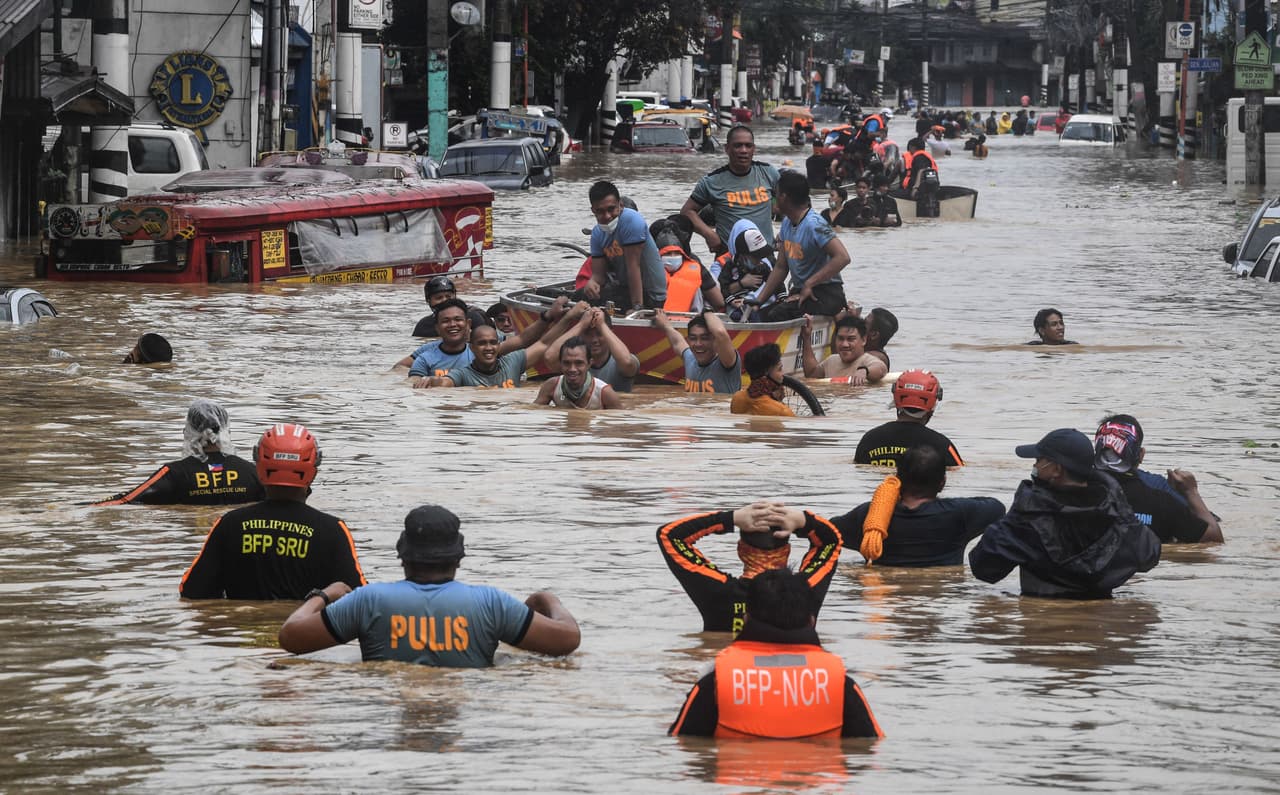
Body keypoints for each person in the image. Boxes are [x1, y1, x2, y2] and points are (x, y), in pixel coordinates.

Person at [277, 505, 581, 666]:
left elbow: (291, 637)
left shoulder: (368, 600)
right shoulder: (491, 603)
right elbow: (568, 640)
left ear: (402, 554)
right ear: (459, 557)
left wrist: (324, 595)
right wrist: (547, 599)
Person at [667, 569, 882, 739]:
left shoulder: (716, 681)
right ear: (811, 621)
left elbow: (683, 745)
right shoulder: (840, 683)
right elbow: (868, 750)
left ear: (746, 619)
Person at [179, 423, 368, 600]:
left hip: (244, 623)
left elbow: (191, 591)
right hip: (305, 624)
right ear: (312, 471)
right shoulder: (332, 530)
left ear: (260, 467)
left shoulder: (229, 525)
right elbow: (361, 599)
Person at [969, 428, 1162, 598]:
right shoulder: (1113, 510)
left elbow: (983, 567)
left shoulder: (1029, 516)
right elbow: (1149, 555)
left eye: (1038, 460)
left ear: (1056, 469)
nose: (1035, 466)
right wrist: (1123, 508)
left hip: (1042, 616)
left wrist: (1018, 512)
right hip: (1099, 619)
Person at [656, 500, 843, 632]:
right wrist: (803, 520)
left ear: (741, 550)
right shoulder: (806, 590)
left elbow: (669, 535)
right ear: (787, 551)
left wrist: (729, 518)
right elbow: (831, 541)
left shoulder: (718, 591)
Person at [833, 446, 1005, 566]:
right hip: (942, 596)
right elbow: (997, 508)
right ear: (942, 483)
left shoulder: (870, 516)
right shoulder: (959, 514)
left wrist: (887, 498)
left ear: (898, 480)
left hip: (883, 598)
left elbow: (828, 530)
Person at [94, 399, 263, 506]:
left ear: (190, 430)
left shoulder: (174, 473)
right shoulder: (253, 472)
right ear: (225, 429)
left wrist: (86, 506)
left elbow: (126, 500)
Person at [1093, 415, 1223, 543]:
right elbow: (1212, 536)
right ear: (1141, 455)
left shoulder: (1081, 491)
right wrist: (1191, 492)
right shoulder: (1162, 498)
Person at [756, 171, 851, 321]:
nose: (773, 199)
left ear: (784, 197)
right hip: (801, 291)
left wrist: (809, 283)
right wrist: (758, 301)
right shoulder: (787, 223)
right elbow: (781, 267)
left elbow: (843, 257)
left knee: (777, 315)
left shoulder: (814, 225)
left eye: (776, 194)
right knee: (762, 314)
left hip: (826, 293)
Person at [422, 302, 580, 389]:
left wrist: (568, 318)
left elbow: (544, 343)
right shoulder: (463, 374)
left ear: (499, 346)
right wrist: (431, 381)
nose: (488, 348)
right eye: (482, 344)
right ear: (472, 348)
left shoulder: (513, 362)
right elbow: (444, 383)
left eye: (493, 343)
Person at [681, 125, 781, 254]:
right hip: (728, 257)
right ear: (727, 149)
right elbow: (687, 212)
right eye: (738, 146)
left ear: (754, 149)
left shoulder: (768, 173)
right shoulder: (711, 182)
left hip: (764, 256)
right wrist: (709, 234)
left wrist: (785, 233)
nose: (743, 150)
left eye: (748, 146)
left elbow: (790, 203)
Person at [580, 181, 667, 311]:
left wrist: (637, 307)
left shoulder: (631, 220)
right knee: (579, 297)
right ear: (593, 210)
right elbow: (598, 275)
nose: (607, 216)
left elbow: (634, 267)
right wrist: (592, 282)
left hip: (649, 294)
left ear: (620, 205)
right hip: (624, 289)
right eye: (600, 211)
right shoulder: (597, 233)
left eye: (611, 209)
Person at [855, 369, 964, 467]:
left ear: (896, 398)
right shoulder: (942, 445)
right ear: (933, 404)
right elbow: (958, 471)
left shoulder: (869, 439)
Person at [543, 307, 641, 392]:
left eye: (599, 334)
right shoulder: (573, 363)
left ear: (609, 333)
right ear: (581, 334)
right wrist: (581, 325)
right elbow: (549, 357)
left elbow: (627, 362)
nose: (594, 340)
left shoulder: (622, 361)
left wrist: (602, 325)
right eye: (588, 334)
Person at [653, 309, 742, 394]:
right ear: (688, 340)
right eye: (693, 338)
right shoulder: (690, 359)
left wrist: (707, 312)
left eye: (704, 338)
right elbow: (677, 342)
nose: (698, 344)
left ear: (715, 340)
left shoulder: (727, 361)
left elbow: (720, 332)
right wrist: (666, 326)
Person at [534, 335, 621, 409]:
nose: (572, 369)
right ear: (560, 364)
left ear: (589, 364)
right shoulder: (551, 386)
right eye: (567, 363)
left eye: (579, 363)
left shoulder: (605, 393)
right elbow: (534, 412)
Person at [396, 298, 473, 379]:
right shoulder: (424, 358)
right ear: (437, 328)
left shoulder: (478, 355)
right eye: (446, 321)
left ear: (468, 324)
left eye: (458, 319)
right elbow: (412, 381)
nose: (452, 324)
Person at [801, 314, 887, 384]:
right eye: (840, 339)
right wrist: (806, 337)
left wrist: (865, 371)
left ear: (864, 340)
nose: (844, 344)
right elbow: (811, 374)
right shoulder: (831, 361)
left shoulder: (867, 361)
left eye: (851, 339)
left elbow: (881, 368)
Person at [715, 219, 774, 303]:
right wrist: (741, 283)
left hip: (761, 303)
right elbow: (716, 294)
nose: (759, 260)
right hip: (736, 304)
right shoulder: (722, 265)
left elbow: (776, 282)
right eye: (756, 257)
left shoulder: (765, 262)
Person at [411, 276, 487, 338]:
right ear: (428, 301)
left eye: (448, 296)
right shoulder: (424, 326)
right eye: (439, 298)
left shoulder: (474, 317)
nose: (445, 300)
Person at [731, 343, 794, 417]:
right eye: (779, 369)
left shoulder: (737, 398)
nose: (783, 374)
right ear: (765, 374)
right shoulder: (783, 412)